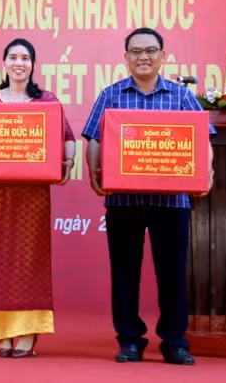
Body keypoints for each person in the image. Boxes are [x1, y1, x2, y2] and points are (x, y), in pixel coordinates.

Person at [82, 27, 214, 366]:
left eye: (151, 50)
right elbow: (94, 139)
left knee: (172, 273)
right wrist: (96, 174)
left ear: (163, 56)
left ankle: (174, 341)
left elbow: (203, 139)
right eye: (136, 51)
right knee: (124, 272)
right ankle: (129, 340)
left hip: (172, 202)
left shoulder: (181, 96)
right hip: (123, 201)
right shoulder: (110, 95)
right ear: (125, 57)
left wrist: (207, 174)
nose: (144, 56)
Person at [0, 38, 76, 358]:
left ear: (33, 65)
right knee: (0, 258)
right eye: (13, 57)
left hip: (33, 194)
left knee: (30, 259)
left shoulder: (46, 100)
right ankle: (1, 332)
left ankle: (29, 330)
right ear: (3, 63)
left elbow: (68, 138)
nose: (19, 62)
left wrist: (69, 162)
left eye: (25, 58)